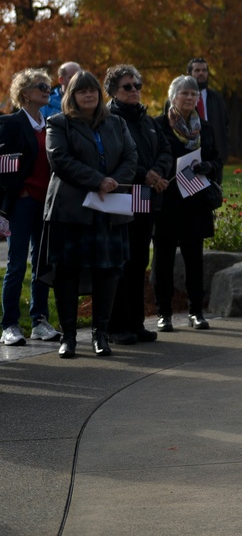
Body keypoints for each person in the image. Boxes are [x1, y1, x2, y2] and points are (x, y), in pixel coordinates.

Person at [43, 71, 137, 358]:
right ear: (72, 95)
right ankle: (69, 337)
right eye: (82, 91)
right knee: (67, 274)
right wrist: (97, 180)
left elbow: (131, 157)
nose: (89, 95)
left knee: (107, 272)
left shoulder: (116, 122)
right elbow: (59, 159)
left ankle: (100, 335)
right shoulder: (58, 123)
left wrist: (112, 182)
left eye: (93, 91)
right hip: (71, 212)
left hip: (108, 210)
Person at [105, 65, 172, 345]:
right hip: (122, 198)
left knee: (140, 262)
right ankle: (117, 326)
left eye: (137, 85)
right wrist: (146, 174)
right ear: (112, 91)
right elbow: (116, 156)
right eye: (127, 86)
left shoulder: (146, 118)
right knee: (122, 263)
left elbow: (166, 149)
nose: (134, 91)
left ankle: (136, 322)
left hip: (147, 199)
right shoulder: (109, 119)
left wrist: (157, 172)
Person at [153, 75, 222, 332]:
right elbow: (153, 158)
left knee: (195, 258)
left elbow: (216, 159)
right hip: (168, 202)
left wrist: (209, 167)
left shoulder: (204, 127)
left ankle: (196, 311)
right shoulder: (158, 125)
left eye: (193, 94)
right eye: (184, 94)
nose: (190, 98)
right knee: (163, 259)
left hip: (195, 200)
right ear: (173, 97)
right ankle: (165, 313)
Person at [0, 70, 61, 346]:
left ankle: (39, 321)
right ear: (25, 93)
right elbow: (2, 164)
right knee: (16, 266)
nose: (48, 90)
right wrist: (19, 190)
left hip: (46, 204)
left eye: (48, 86)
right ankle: (9, 325)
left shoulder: (50, 124)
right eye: (41, 86)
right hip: (23, 203)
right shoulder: (10, 123)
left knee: (42, 264)